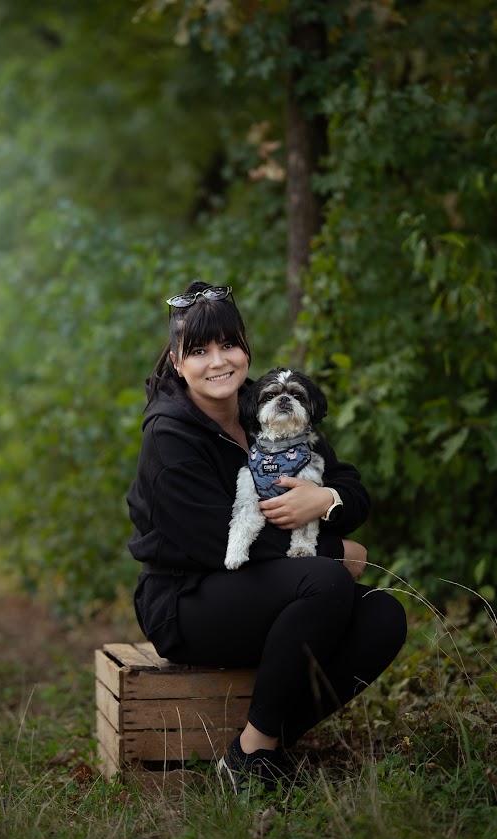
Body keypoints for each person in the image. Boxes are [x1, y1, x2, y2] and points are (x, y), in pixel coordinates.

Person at [127, 281, 407, 792]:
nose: (218, 361)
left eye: (228, 345)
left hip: (267, 587)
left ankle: (260, 744)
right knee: (327, 580)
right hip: (187, 599)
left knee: (384, 614)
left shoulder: (273, 403)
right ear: (177, 361)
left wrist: (325, 501)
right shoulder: (168, 436)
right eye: (199, 351)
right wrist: (334, 551)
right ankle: (253, 756)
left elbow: (352, 488)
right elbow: (213, 541)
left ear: (246, 349)